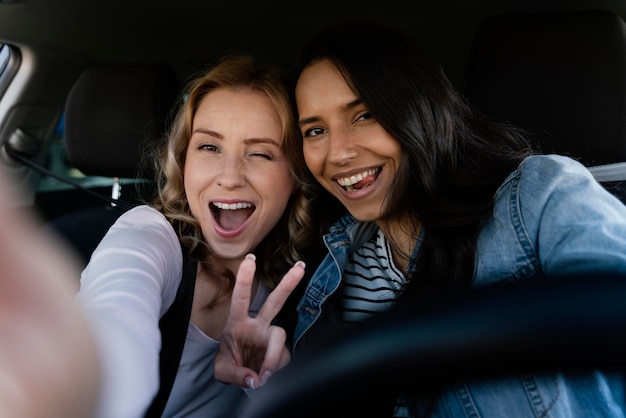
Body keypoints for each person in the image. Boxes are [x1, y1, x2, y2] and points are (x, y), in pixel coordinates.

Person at [215, 21, 626, 417]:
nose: (338, 153)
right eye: (315, 131)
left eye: (364, 115)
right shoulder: (322, 262)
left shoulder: (540, 196)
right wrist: (272, 377)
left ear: (418, 109)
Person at [76, 53, 318, 417]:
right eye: (209, 147)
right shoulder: (147, 235)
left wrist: (267, 381)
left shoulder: (308, 275)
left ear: (295, 175)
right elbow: (113, 314)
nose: (230, 176)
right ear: (184, 160)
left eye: (260, 153)